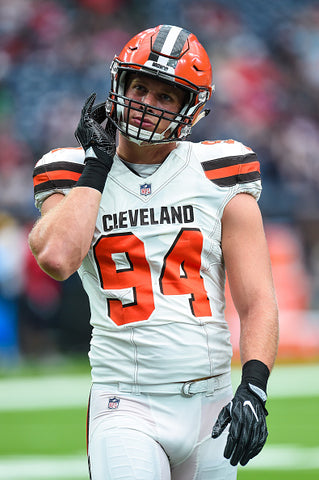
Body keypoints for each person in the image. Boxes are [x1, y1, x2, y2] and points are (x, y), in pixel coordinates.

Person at [29, 24, 279, 480]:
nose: (147, 103)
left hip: (213, 401)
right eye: (139, 87)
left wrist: (255, 386)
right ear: (117, 85)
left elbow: (257, 298)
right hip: (126, 401)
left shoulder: (221, 170)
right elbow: (57, 259)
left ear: (191, 109)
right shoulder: (68, 169)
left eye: (166, 96)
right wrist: (98, 163)